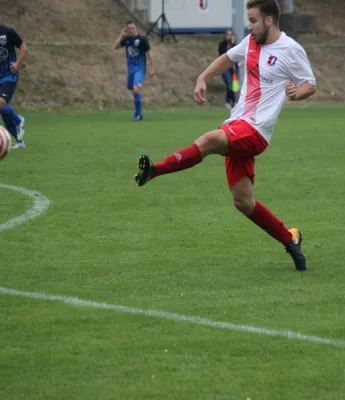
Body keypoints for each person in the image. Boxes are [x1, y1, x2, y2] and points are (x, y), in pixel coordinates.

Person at [134, 0, 316, 271]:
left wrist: (296, 93)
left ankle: (154, 171)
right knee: (243, 202)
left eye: (253, 20)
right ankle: (290, 239)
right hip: (238, 123)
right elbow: (228, 58)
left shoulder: (290, 49)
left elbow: (309, 84)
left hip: (256, 130)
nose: (250, 26)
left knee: (209, 140)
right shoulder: (252, 42)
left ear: (269, 20)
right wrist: (202, 77)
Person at [115, 21, 155, 121]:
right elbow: (116, 47)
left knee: (135, 89)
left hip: (140, 69)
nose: (131, 30)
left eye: (133, 28)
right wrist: (121, 35)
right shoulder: (127, 39)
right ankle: (138, 113)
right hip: (131, 70)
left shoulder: (142, 39)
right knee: (132, 89)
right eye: (129, 28)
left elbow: (150, 54)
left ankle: (138, 114)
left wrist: (151, 68)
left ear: (136, 28)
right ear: (127, 29)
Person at [0, 15, 27, 149]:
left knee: (0, 103)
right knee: (4, 113)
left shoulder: (8, 32)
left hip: (8, 75)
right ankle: (19, 141)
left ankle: (18, 119)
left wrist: (17, 64)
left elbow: (23, 47)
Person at [218, 29, 238, 109]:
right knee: (229, 84)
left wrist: (232, 44)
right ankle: (227, 102)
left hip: (233, 67)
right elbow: (222, 55)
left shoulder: (234, 44)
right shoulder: (223, 44)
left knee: (234, 86)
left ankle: (233, 102)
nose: (229, 36)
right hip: (225, 67)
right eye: (228, 35)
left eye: (231, 35)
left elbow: (236, 54)